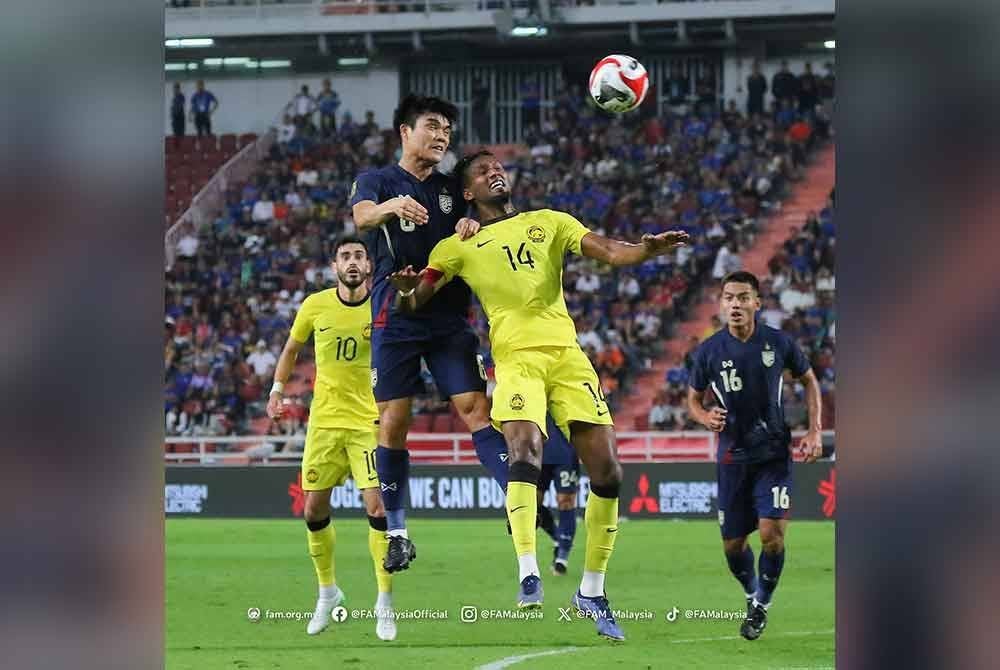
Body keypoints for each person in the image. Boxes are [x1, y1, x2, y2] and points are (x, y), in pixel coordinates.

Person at [388, 149, 689, 641]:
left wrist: (646, 250)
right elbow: (418, 295)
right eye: (483, 172)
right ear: (468, 193)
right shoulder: (457, 245)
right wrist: (405, 289)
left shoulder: (550, 221)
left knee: (609, 472)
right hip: (515, 359)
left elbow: (611, 251)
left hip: (567, 357)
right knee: (523, 449)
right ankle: (528, 568)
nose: (495, 172)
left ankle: (591, 589)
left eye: (497, 168)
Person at [351, 94, 570, 575]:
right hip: (397, 312)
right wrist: (392, 206)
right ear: (405, 132)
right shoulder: (377, 181)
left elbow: (489, 214)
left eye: (447, 129)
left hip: (449, 314)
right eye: (432, 125)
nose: (442, 135)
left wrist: (473, 219)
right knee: (394, 421)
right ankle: (398, 532)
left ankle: (517, 503)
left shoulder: (453, 187)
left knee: (476, 410)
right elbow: (362, 218)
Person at [265, 236, 396, 641]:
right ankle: (328, 592)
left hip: (365, 423)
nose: (352, 262)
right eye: (345, 256)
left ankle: (385, 602)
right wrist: (276, 390)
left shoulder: (382, 306)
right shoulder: (315, 305)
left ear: (369, 267)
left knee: (376, 505)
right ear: (334, 266)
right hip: (323, 424)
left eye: (359, 256)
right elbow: (291, 349)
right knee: (313, 511)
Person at [685, 270, 823, 641]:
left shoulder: (778, 343)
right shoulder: (708, 352)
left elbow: (809, 379)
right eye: (729, 297)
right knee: (733, 544)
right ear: (721, 304)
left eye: (743, 297)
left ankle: (761, 604)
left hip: (774, 454)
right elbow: (694, 400)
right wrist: (704, 416)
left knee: (771, 533)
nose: (735, 304)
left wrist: (813, 430)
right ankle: (751, 593)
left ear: (757, 304)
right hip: (732, 457)